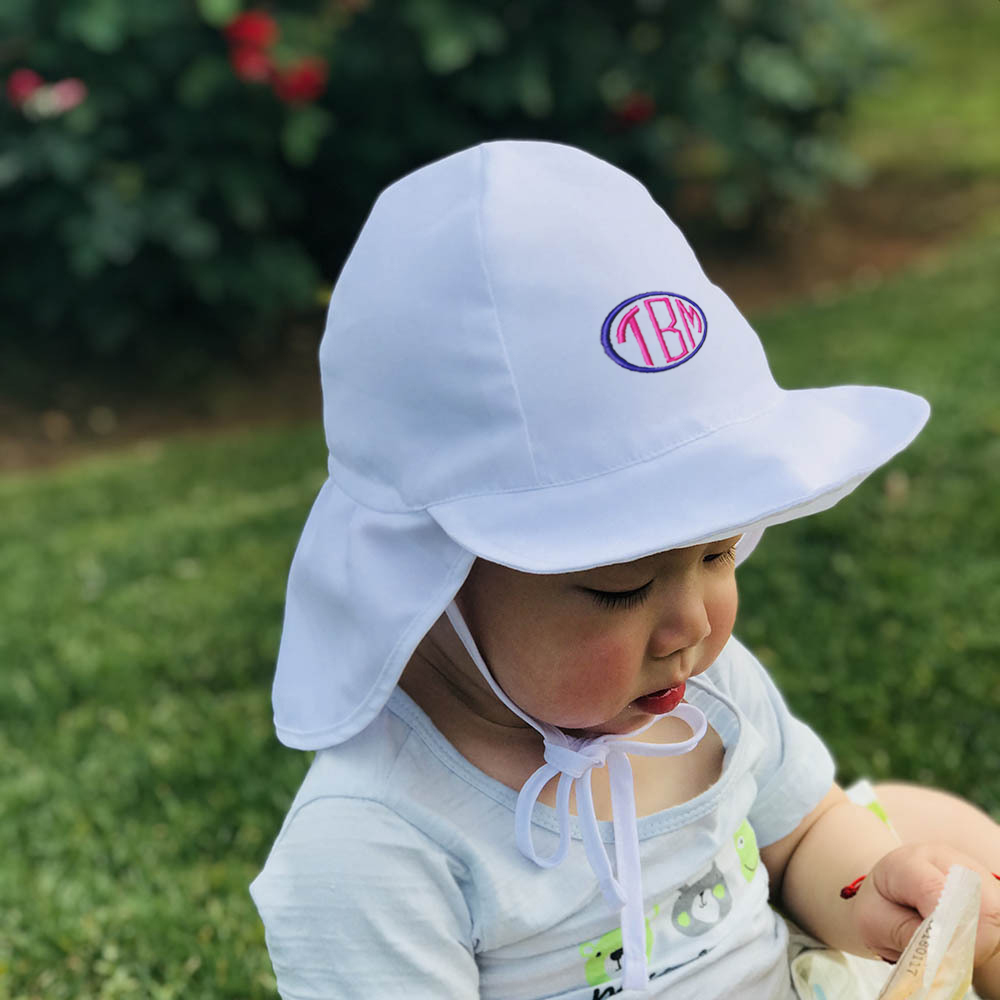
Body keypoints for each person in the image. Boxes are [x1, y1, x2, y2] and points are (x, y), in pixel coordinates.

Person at [249, 140, 1000, 999]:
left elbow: (803, 834)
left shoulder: (704, 697)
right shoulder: (378, 840)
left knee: (939, 841)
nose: (694, 626)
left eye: (719, 553)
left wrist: (871, 903)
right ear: (434, 575)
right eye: (621, 590)